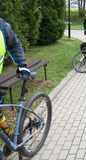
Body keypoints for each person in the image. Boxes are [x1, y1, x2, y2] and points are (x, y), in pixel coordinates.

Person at [0, 17, 30, 160]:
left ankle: (13, 137)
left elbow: (14, 44)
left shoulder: (3, 27)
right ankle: (11, 136)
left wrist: (22, 64)